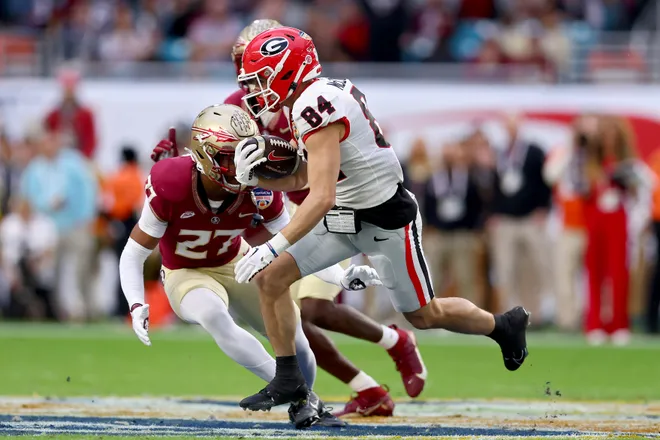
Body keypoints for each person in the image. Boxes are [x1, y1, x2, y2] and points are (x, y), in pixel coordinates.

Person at [231, 26, 530, 411]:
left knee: (424, 314)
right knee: (272, 280)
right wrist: (255, 177)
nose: (255, 90)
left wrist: (273, 245)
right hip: (345, 215)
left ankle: (504, 326)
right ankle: (288, 377)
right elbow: (309, 177)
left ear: (289, 70)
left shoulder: (313, 106)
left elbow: (319, 196)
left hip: (386, 222)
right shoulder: (312, 98)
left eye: (263, 78)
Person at [153, 19, 426, 417]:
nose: (249, 79)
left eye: (257, 66)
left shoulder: (310, 101)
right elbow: (220, 160)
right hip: (278, 208)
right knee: (290, 313)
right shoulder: (238, 105)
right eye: (241, 62)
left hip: (321, 206)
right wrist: (178, 170)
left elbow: (329, 169)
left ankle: (391, 344)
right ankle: (365, 386)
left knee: (312, 310)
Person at [121, 104, 381, 428]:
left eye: (244, 153)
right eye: (228, 156)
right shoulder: (171, 181)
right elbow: (134, 253)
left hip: (236, 260)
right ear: (204, 154)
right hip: (185, 272)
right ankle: (301, 394)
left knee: (295, 338)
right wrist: (135, 302)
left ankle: (304, 402)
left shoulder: (260, 187)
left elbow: (295, 241)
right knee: (213, 315)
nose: (240, 165)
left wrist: (340, 277)